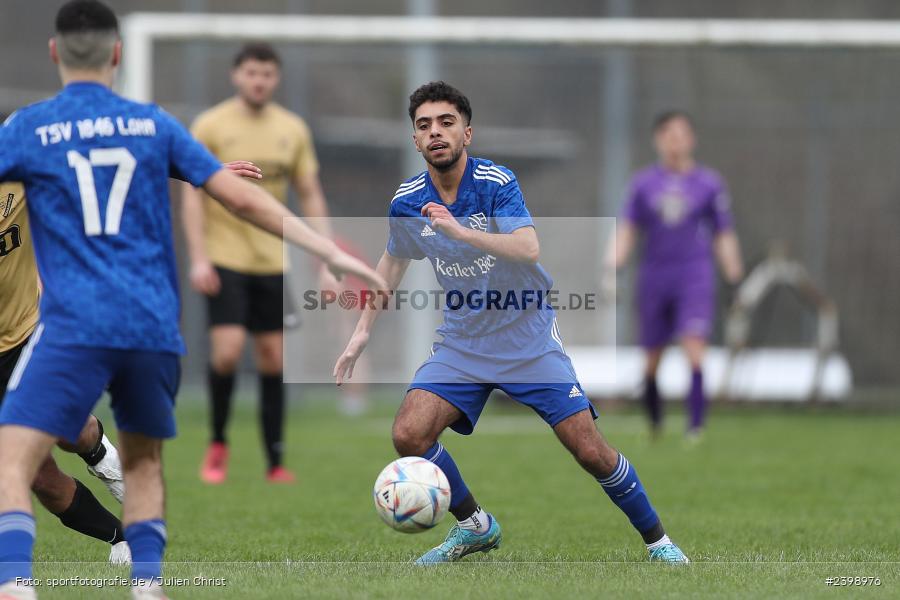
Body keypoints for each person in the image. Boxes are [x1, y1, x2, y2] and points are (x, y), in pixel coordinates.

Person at [0, 2, 384, 599]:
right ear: (118, 54)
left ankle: (15, 586)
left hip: (72, 322)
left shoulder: (26, 129)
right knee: (144, 462)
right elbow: (242, 200)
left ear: (54, 53)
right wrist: (325, 248)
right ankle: (148, 588)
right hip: (152, 325)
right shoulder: (155, 126)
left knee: (11, 460)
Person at [334, 81, 689, 565]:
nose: (435, 132)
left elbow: (528, 247)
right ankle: (475, 526)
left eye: (446, 123)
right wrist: (362, 331)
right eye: (424, 126)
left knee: (589, 451)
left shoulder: (496, 183)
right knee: (409, 435)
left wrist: (460, 230)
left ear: (467, 133)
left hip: (527, 337)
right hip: (462, 342)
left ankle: (659, 543)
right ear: (415, 141)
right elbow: (392, 263)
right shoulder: (408, 200)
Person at [182, 42, 334, 484]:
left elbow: (310, 192)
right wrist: (198, 257)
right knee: (227, 353)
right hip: (225, 257)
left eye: (267, 74)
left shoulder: (292, 129)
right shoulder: (210, 125)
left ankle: (275, 461)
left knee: (272, 359)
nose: (259, 81)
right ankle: (217, 444)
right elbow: (190, 195)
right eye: (251, 73)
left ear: (276, 79)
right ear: (236, 76)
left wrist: (327, 256)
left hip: (273, 260)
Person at [0, 180, 129, 565]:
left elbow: (105, 161)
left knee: (70, 430)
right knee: (39, 479)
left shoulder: (16, 172)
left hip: (26, 338)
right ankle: (123, 538)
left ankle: (104, 460)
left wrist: (198, 172)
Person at [607, 111, 743, 439]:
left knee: (694, 346)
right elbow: (627, 229)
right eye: (669, 134)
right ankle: (655, 425)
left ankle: (695, 428)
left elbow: (723, 233)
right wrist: (612, 268)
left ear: (692, 139)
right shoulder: (643, 184)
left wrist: (734, 275)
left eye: (682, 134)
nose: (675, 141)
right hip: (654, 275)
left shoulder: (709, 184)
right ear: (658, 140)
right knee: (651, 359)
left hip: (693, 274)